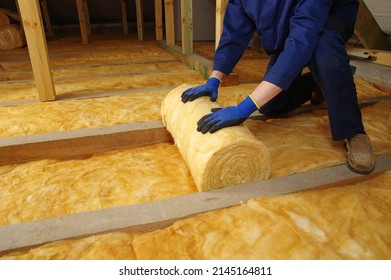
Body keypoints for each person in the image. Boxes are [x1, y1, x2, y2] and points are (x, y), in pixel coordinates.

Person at [181, 0, 375, 174]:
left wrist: (244, 107)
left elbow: (303, 38)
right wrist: (215, 78)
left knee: (324, 45)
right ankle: (317, 81)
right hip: (293, 23)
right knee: (270, 104)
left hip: (330, 14)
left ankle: (353, 132)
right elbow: (234, 34)